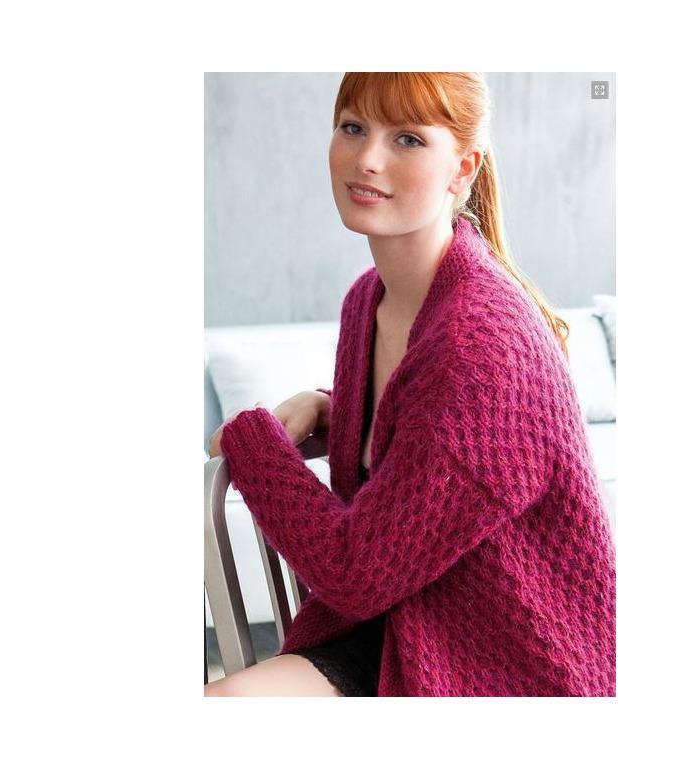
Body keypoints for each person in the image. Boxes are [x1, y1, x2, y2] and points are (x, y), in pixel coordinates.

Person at [204, 72, 615, 696]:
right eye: (353, 128)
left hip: (503, 662)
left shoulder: (482, 346)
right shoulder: (368, 300)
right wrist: (334, 410)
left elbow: (355, 571)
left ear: (462, 169)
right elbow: (423, 444)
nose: (367, 159)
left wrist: (252, 441)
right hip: (399, 624)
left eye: (408, 139)